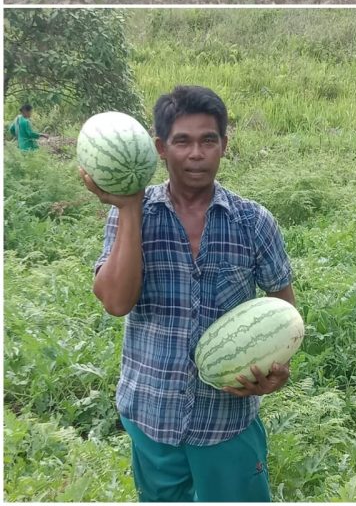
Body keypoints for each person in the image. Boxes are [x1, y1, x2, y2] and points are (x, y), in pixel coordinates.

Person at [80, 86, 295, 503]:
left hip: (227, 420)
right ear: (160, 147)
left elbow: (283, 309)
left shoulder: (254, 222)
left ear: (224, 146)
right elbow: (115, 302)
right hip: (152, 414)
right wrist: (128, 207)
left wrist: (277, 369)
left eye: (208, 140)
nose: (196, 153)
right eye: (182, 141)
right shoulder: (132, 216)